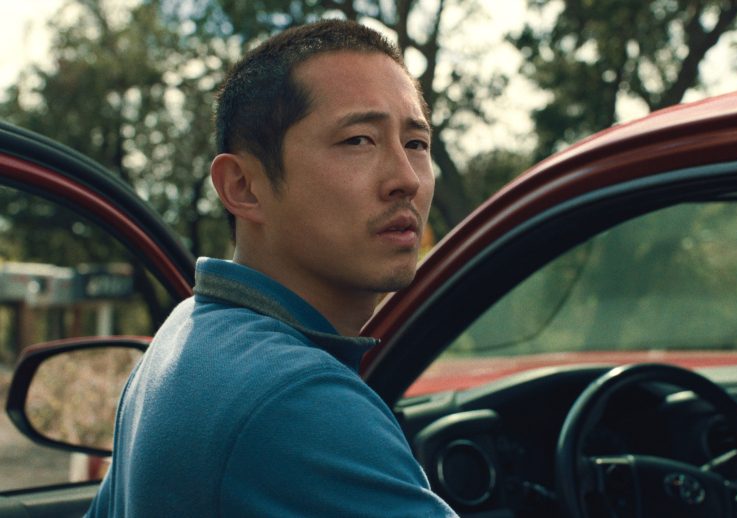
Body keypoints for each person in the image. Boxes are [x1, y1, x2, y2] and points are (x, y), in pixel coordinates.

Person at [86, 19, 458, 517]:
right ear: (243, 186)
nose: (406, 179)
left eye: (416, 143)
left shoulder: (185, 333)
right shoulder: (299, 399)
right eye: (358, 141)